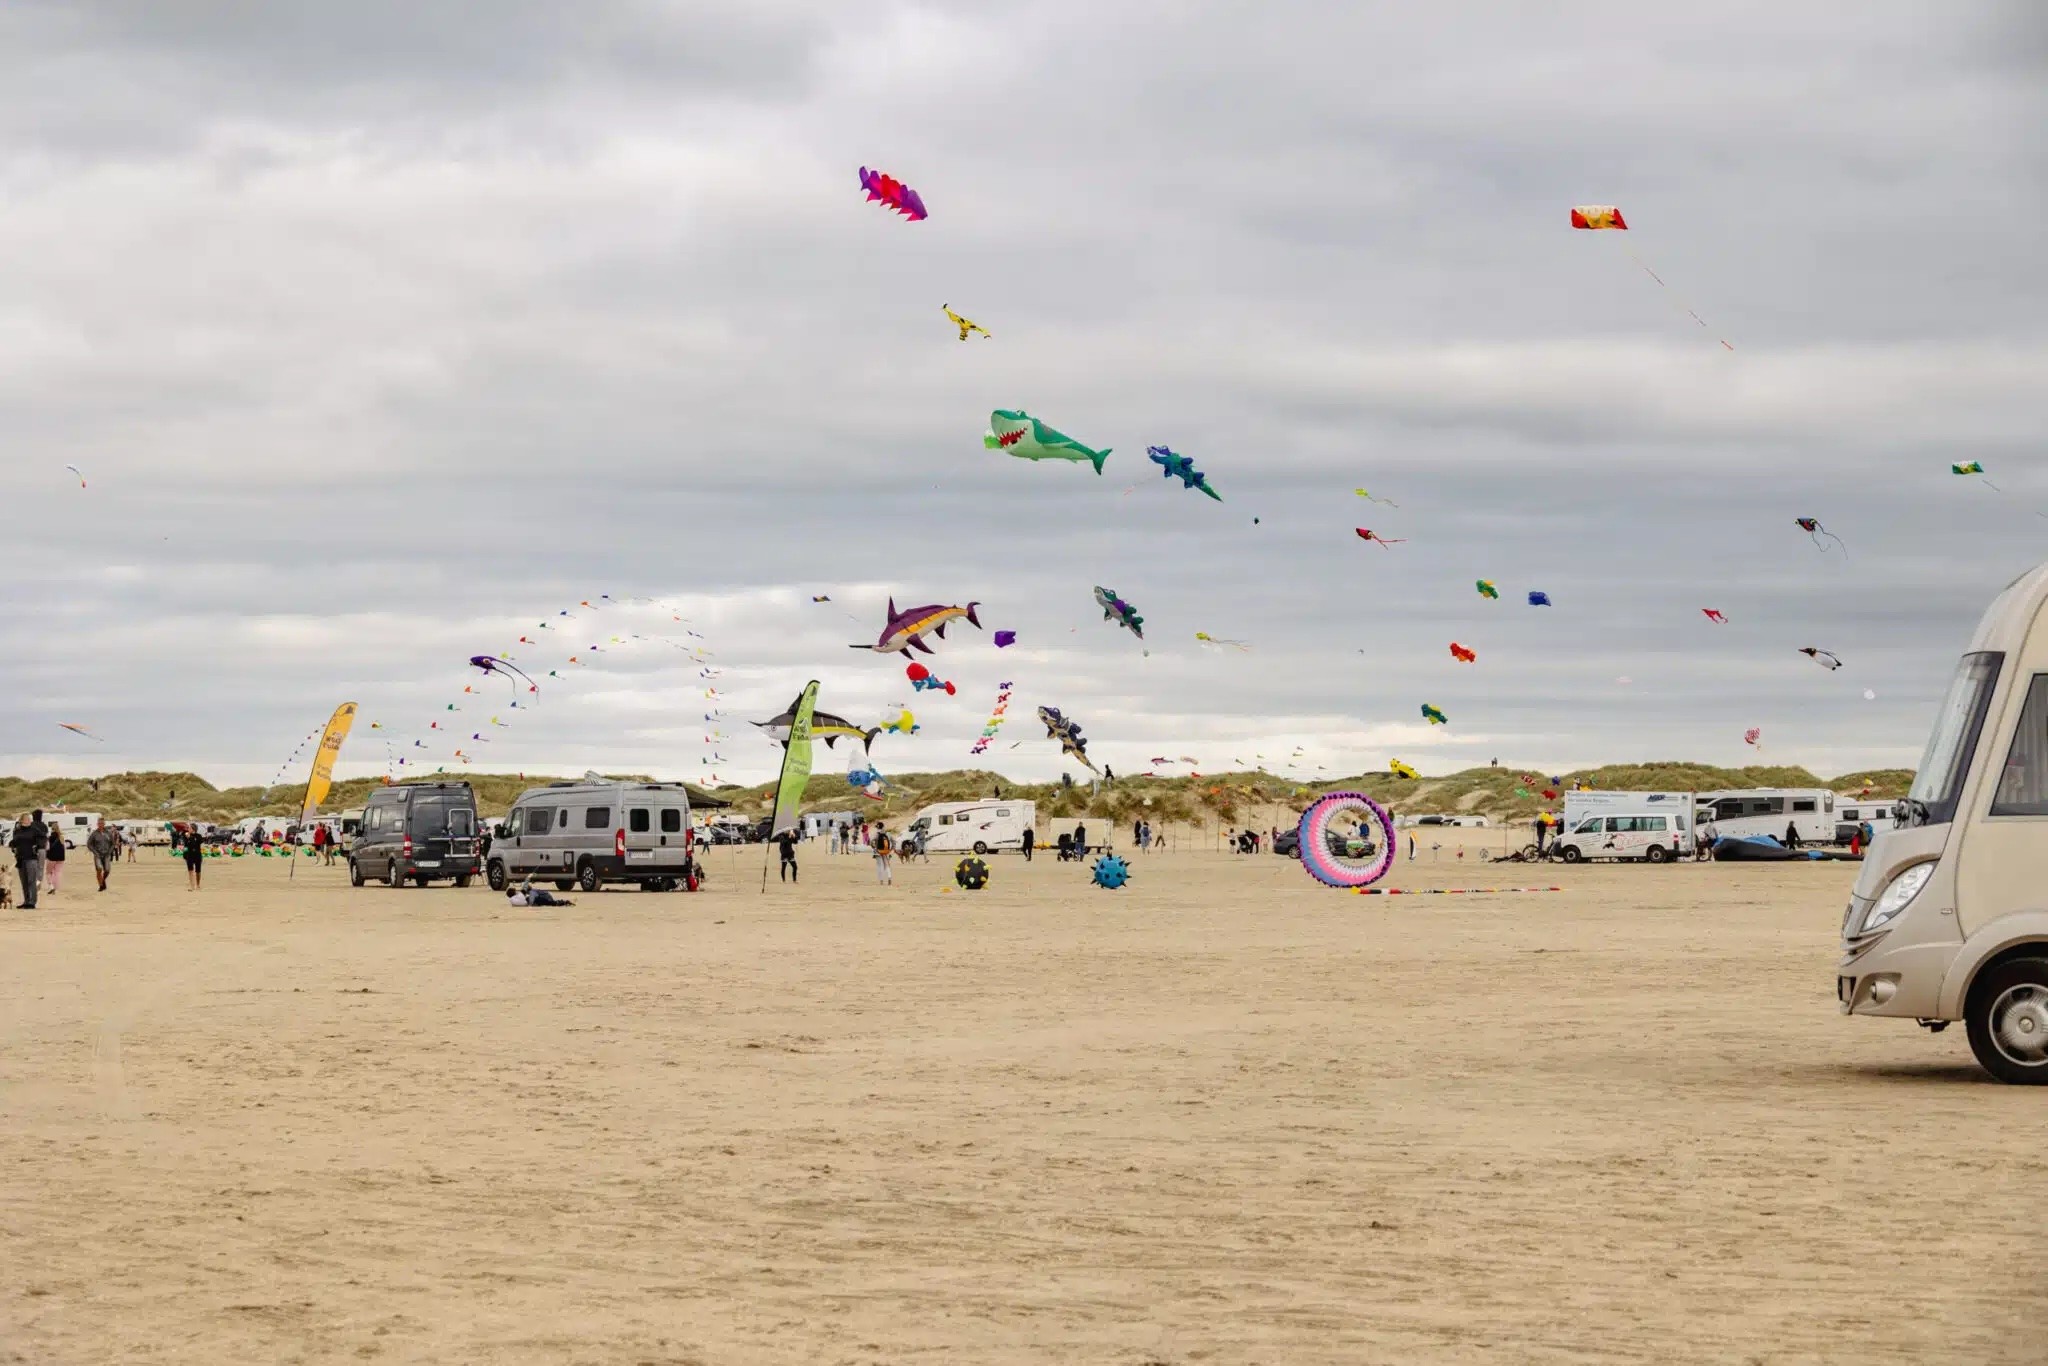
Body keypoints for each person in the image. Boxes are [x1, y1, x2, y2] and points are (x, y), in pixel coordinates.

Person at [11, 813, 45, 910]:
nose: (29, 820)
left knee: (31, 880)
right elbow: (14, 841)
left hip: (31, 858)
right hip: (20, 858)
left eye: (30, 819)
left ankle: (32, 902)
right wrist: (13, 847)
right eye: (27, 819)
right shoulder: (17, 831)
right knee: (24, 881)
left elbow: (43, 838)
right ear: (22, 820)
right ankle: (26, 901)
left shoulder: (34, 830)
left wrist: (38, 846)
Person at [87, 819, 120, 892]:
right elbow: (89, 844)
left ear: (104, 824)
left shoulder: (108, 833)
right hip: (97, 854)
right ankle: (101, 885)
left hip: (107, 854)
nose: (100, 824)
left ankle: (103, 881)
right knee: (99, 869)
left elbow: (113, 843)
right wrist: (95, 852)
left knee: (107, 870)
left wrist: (110, 851)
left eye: (102, 823)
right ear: (97, 824)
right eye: (99, 823)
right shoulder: (94, 834)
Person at [43, 817, 68, 895]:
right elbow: (64, 847)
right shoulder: (61, 837)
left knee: (48, 872)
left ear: (52, 829)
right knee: (57, 872)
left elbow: (47, 848)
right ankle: (55, 887)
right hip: (61, 857)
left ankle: (51, 887)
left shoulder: (50, 838)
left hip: (51, 857)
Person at [183, 824, 206, 890]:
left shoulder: (199, 836)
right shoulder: (186, 836)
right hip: (189, 855)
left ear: (193, 829)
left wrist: (190, 837)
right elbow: (186, 845)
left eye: (189, 828)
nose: (188, 829)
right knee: (190, 870)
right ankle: (192, 886)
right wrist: (184, 854)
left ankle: (198, 885)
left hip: (197, 855)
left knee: (198, 871)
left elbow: (195, 844)